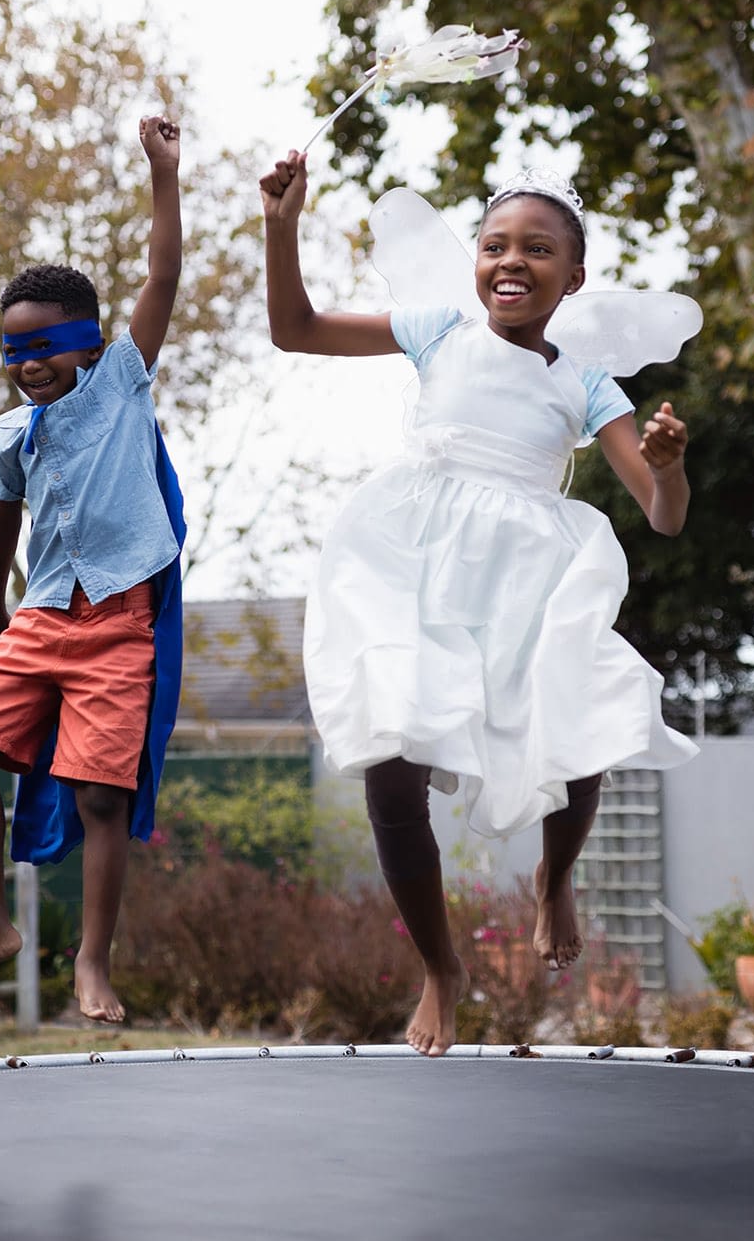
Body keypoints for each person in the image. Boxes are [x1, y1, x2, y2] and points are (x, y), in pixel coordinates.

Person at [260, 148, 697, 1057]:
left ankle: (555, 877)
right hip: (413, 562)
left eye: (538, 250)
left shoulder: (586, 381)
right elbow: (296, 329)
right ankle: (440, 969)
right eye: (496, 243)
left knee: (583, 726)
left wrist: (668, 469)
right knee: (392, 768)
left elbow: (662, 518)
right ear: (475, 260)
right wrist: (282, 223)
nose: (511, 261)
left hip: (529, 572)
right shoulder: (437, 330)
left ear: (572, 278)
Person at [0, 115, 186, 1023]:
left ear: (87, 341)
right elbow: (3, 521)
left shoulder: (120, 381)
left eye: (43, 347)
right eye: (12, 351)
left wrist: (162, 173)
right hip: (41, 616)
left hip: (118, 618)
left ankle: (94, 963)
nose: (26, 365)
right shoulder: (8, 433)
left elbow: (162, 275)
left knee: (101, 796)